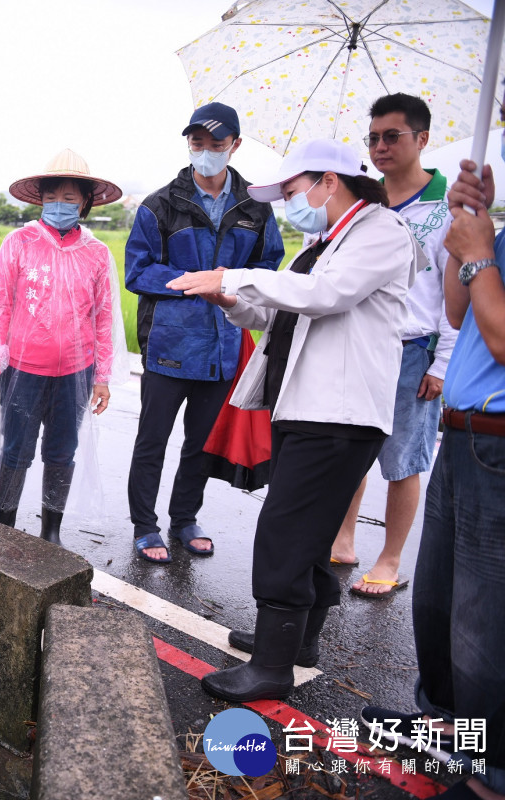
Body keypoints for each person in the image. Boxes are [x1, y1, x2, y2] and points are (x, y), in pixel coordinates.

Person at [168, 138, 420, 702]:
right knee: (305, 532)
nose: (288, 200)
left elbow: (327, 295)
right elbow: (283, 310)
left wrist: (233, 276)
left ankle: (271, 668)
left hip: (339, 412)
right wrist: (230, 300)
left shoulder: (380, 231)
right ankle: (295, 642)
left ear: (328, 181)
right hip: (304, 405)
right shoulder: (324, 241)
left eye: (292, 189)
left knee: (284, 532)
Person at [358, 140, 505, 799]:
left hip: (498, 442)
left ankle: (491, 764)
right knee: (441, 599)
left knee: (485, 617)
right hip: (465, 430)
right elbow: (456, 310)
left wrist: (477, 253)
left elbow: (502, 338)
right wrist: (465, 235)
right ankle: (446, 723)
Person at [124, 102, 284, 563]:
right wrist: (195, 282)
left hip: (225, 343)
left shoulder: (256, 205)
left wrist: (232, 281)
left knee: (200, 441)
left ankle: (184, 518)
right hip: (169, 344)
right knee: (152, 440)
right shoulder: (159, 205)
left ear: (234, 146)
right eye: (199, 143)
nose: (207, 152)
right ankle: (144, 524)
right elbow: (137, 272)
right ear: (188, 145)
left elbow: (270, 264)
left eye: (217, 144)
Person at [330, 93, 456, 599]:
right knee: (349, 448)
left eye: (392, 136)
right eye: (373, 138)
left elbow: (455, 293)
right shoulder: (363, 202)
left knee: (403, 459)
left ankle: (390, 557)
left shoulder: (447, 209)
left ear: (422, 139)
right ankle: (343, 537)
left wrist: (443, 362)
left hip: (414, 349)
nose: (380, 147)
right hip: (360, 342)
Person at [0, 150, 128, 546]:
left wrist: (102, 377)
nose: (61, 205)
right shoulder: (19, 243)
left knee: (61, 452)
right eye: (53, 197)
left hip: (76, 372)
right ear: (40, 199)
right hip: (23, 368)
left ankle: (51, 531)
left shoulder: (96, 254)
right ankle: (4, 524)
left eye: (70, 199)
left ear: (86, 203)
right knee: (16, 450)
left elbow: (105, 317)